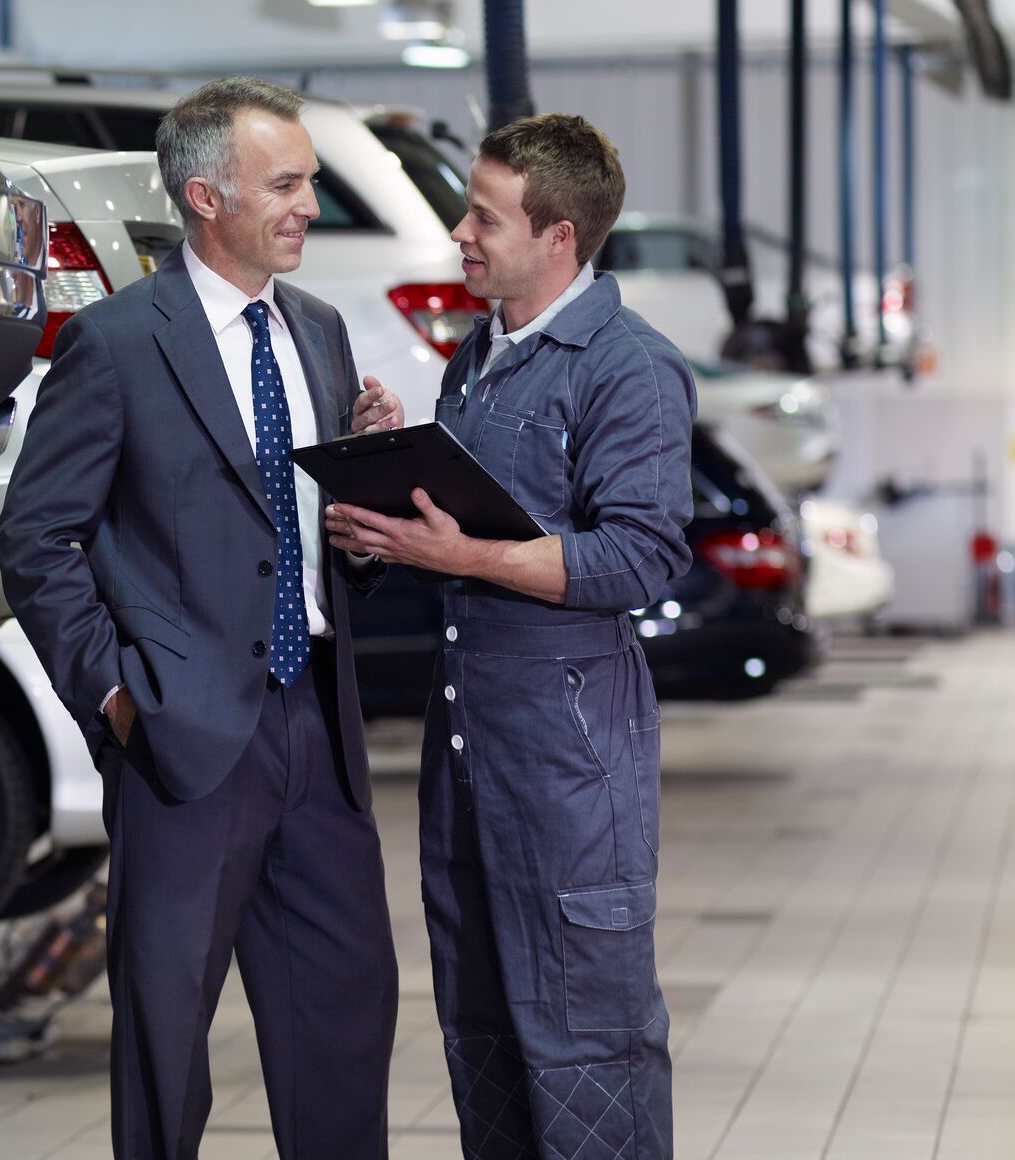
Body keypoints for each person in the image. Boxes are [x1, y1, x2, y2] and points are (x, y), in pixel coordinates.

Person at [0, 77, 405, 1160]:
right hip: (182, 739)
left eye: (309, 182)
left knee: (345, 1016)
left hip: (317, 727)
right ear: (204, 196)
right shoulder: (118, 343)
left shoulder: (317, 332)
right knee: (166, 1035)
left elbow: (308, 534)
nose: (309, 205)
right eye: (287, 184)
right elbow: (36, 540)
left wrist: (361, 517)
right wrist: (116, 693)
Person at [327, 113, 695, 1160]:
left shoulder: (626, 367)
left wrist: (462, 557)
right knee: (483, 1040)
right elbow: (462, 524)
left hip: (571, 770)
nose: (459, 232)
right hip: (468, 761)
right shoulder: (479, 358)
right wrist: (382, 505)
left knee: (591, 1045)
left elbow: (638, 556)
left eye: (484, 217)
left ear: (558, 236)